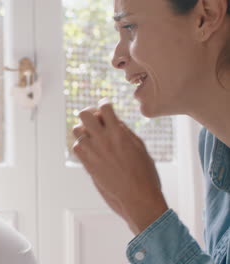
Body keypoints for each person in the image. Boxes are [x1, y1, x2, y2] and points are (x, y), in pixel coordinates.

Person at [71, 0, 230, 263]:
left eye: (130, 27)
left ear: (206, 16)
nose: (116, 59)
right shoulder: (214, 143)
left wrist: (145, 213)